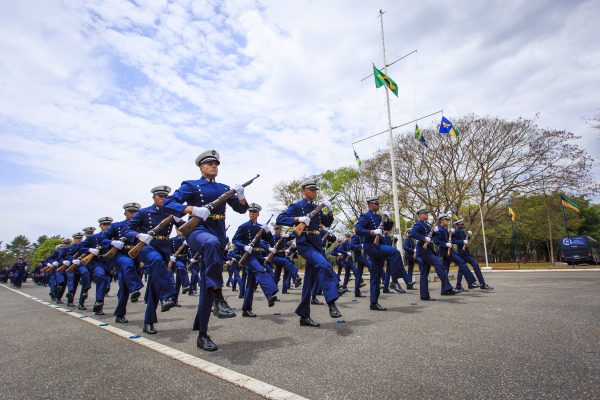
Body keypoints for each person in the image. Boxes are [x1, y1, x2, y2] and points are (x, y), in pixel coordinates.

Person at [162, 150, 249, 351]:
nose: (214, 166)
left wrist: (242, 196)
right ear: (201, 167)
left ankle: (202, 334)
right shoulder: (191, 185)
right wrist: (191, 209)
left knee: (206, 286)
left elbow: (241, 209)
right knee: (209, 244)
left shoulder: (223, 188)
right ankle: (219, 296)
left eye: (216, 164)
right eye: (209, 164)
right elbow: (169, 203)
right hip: (198, 231)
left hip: (218, 234)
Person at [276, 178, 342, 327]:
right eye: (311, 190)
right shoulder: (297, 206)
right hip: (305, 245)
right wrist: (299, 218)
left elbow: (327, 222)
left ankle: (304, 316)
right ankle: (331, 302)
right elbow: (280, 218)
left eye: (315, 190)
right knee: (324, 265)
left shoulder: (316, 208)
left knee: (308, 283)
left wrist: (330, 210)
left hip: (317, 244)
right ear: (304, 191)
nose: (314, 193)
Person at [123, 186, 181, 334]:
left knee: (155, 287)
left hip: (164, 248)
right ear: (154, 197)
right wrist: (137, 236)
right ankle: (168, 296)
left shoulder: (170, 212)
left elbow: (184, 229)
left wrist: (180, 220)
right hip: (147, 247)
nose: (163, 198)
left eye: (165, 196)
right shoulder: (143, 212)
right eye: (160, 196)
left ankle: (148, 322)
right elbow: (127, 229)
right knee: (156, 261)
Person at [355, 197, 413, 311]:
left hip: (378, 246)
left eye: (378, 203)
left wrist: (389, 219)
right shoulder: (365, 216)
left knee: (375, 277)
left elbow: (387, 229)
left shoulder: (378, 217)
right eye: (376, 204)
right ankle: (394, 280)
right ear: (370, 204)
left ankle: (373, 303)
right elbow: (358, 230)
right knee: (395, 252)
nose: (378, 205)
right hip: (371, 246)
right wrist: (372, 232)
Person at [99, 202, 145, 323]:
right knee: (127, 263)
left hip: (136, 257)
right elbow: (101, 239)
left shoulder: (142, 226)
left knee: (124, 288)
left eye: (136, 212)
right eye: (131, 212)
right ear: (125, 213)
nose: (133, 214)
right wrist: (111, 243)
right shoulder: (116, 226)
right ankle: (135, 288)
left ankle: (120, 314)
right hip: (120, 256)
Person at [232, 203, 278, 317]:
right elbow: (234, 240)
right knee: (260, 271)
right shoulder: (244, 226)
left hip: (257, 254)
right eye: (250, 212)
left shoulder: (260, 227)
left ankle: (246, 309)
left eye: (254, 212)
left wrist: (267, 231)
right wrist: (244, 246)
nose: (251, 213)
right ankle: (270, 293)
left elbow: (270, 241)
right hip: (249, 255)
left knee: (251, 284)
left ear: (258, 214)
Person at [410, 209, 459, 300]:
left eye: (426, 213)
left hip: (428, 250)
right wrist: (424, 238)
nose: (426, 215)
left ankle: (424, 296)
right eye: (424, 214)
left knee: (424, 274)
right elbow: (412, 233)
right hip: (424, 251)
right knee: (440, 266)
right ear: (420, 215)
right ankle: (448, 287)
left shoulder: (427, 226)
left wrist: (435, 233)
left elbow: (433, 238)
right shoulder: (419, 225)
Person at [433, 215, 479, 292]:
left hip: (448, 251)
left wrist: (451, 233)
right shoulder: (440, 230)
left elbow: (450, 239)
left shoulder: (445, 229)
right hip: (446, 252)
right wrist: (445, 244)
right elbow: (435, 240)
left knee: (445, 270)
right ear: (441, 221)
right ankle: (471, 282)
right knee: (461, 262)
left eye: (448, 220)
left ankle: (444, 290)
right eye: (446, 220)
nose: (447, 221)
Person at [80, 217, 114, 315]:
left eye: (108, 225)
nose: (106, 226)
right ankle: (98, 302)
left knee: (105, 284)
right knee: (100, 275)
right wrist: (90, 250)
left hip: (109, 262)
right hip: (97, 261)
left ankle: (99, 304)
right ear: (100, 226)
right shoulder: (93, 237)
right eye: (104, 224)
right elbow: (81, 247)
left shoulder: (114, 237)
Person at [453, 220, 493, 290]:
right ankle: (458, 286)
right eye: (461, 224)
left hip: (466, 253)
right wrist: (462, 241)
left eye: (463, 223)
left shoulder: (462, 231)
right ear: (458, 225)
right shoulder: (456, 231)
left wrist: (468, 236)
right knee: (462, 269)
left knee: (474, 265)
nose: (463, 225)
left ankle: (482, 283)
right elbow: (454, 241)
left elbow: (466, 241)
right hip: (461, 253)